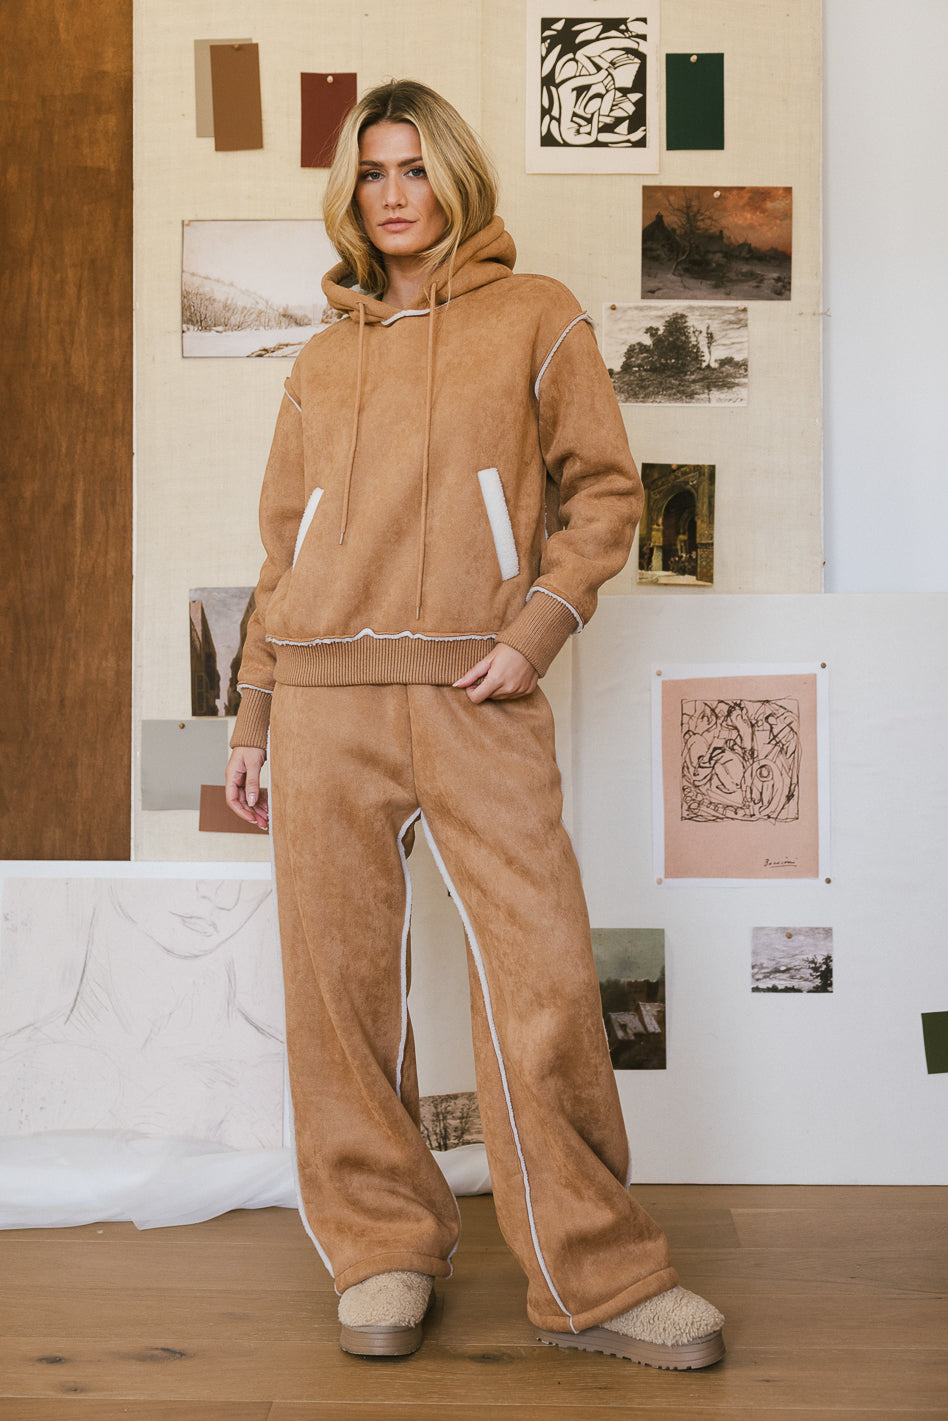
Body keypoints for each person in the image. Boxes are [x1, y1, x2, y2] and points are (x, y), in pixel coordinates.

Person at [225, 79, 724, 1370]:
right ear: (350, 193)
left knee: (541, 978)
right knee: (339, 994)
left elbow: (605, 494)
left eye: (416, 168)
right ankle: (382, 1249)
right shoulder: (320, 359)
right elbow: (280, 554)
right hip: (321, 701)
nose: (394, 194)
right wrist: (254, 712)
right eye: (372, 171)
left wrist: (533, 630)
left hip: (474, 692)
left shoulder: (537, 315)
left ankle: (596, 1276)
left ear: (455, 178)